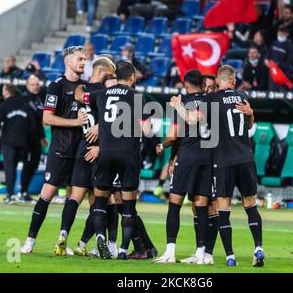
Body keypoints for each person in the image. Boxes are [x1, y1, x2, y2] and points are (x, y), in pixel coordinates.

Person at [78, 61, 152, 260]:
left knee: (100, 199)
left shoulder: (101, 94)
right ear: (133, 77)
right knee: (128, 206)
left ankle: (100, 237)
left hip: (106, 153)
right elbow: (146, 129)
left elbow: (81, 96)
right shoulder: (137, 96)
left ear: (116, 76)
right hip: (128, 154)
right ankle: (122, 250)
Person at [20, 46, 88, 254]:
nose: (84, 62)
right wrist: (75, 122)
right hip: (60, 149)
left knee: (74, 197)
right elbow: (47, 118)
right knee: (47, 193)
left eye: (85, 59)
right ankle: (30, 241)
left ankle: (63, 240)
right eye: (80, 59)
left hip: (80, 152)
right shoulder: (56, 86)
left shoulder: (86, 87)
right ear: (68, 62)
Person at [54, 55, 116, 257]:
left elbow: (80, 95)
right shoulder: (105, 93)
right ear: (100, 72)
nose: (112, 78)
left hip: (81, 148)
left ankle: (63, 236)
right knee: (101, 200)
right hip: (99, 150)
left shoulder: (81, 91)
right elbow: (113, 121)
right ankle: (99, 239)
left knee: (75, 197)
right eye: (109, 73)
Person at [154, 69, 214, 265]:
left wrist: (164, 147)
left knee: (175, 204)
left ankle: (170, 251)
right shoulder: (211, 101)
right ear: (203, 84)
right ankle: (201, 253)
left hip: (187, 156)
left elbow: (173, 134)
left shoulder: (184, 103)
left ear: (187, 85)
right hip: (206, 157)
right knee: (201, 207)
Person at [209, 65, 264, 267]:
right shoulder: (242, 97)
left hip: (224, 160)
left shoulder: (213, 99)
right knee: (251, 204)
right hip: (246, 159)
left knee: (224, 207)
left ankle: (230, 256)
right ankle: (258, 247)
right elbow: (249, 125)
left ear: (218, 81)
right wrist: (250, 113)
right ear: (233, 80)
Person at [0, 84, 36, 204]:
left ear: (6, 92)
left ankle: (10, 195)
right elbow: (32, 125)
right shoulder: (25, 105)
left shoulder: (4, 105)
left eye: (3, 90)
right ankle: (22, 192)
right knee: (21, 166)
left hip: (8, 142)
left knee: (10, 168)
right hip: (24, 142)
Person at [19, 75, 48, 203]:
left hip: (36, 138)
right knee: (28, 164)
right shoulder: (24, 99)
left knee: (34, 164)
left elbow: (39, 120)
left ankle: (25, 191)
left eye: (37, 84)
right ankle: (22, 192)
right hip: (27, 139)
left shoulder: (38, 99)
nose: (36, 87)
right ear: (27, 86)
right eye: (33, 84)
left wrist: (42, 136)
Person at [266, 26, 293, 91]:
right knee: (272, 91)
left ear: (287, 34)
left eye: (282, 34)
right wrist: (266, 61)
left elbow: (289, 62)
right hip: (272, 72)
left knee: (282, 92)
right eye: (279, 34)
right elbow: (268, 56)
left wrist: (278, 65)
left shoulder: (290, 46)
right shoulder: (274, 43)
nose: (280, 36)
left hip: (283, 73)